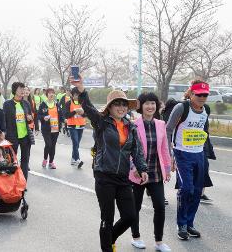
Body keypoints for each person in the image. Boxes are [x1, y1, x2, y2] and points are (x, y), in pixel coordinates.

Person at [71, 74, 148, 252]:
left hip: (122, 177)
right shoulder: (102, 122)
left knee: (130, 216)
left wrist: (142, 168)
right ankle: (107, 247)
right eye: (117, 104)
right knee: (108, 218)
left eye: (123, 104)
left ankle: (109, 239)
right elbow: (88, 108)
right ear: (110, 107)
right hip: (104, 175)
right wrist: (82, 90)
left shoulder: (131, 126)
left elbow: (137, 151)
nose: (121, 108)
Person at [166, 79, 210, 240]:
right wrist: (170, 153)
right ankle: (182, 224)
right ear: (191, 93)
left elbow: (204, 131)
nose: (202, 98)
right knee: (187, 189)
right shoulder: (181, 107)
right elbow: (168, 129)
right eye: (199, 94)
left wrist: (205, 151)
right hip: (182, 154)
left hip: (199, 154)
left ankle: (190, 224)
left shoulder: (206, 110)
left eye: (205, 95)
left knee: (198, 191)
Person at [128, 92, 172, 252]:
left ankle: (159, 242)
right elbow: (128, 150)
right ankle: (136, 237)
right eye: (147, 103)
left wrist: (167, 168)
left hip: (156, 171)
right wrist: (134, 168)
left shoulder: (161, 124)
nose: (150, 106)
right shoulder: (133, 124)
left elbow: (164, 148)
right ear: (141, 106)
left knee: (160, 206)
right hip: (138, 173)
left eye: (153, 103)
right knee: (135, 207)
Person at [3, 82, 35, 180]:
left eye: (23, 89)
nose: (23, 91)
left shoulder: (26, 103)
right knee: (12, 160)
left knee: (25, 161)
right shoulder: (7, 104)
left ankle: (23, 182)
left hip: (25, 136)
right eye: (20, 89)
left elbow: (29, 118)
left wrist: (30, 118)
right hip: (13, 136)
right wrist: (4, 133)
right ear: (14, 91)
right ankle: (12, 182)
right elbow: (4, 120)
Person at [38, 88, 63, 169]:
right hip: (46, 129)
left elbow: (61, 115)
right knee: (48, 144)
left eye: (53, 93)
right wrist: (43, 117)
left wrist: (64, 120)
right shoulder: (43, 104)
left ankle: (51, 162)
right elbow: (38, 115)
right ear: (47, 95)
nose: (51, 94)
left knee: (53, 146)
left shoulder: (57, 104)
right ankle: (45, 159)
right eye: (50, 93)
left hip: (55, 129)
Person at [65, 87, 86, 168]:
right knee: (75, 143)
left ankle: (73, 159)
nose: (77, 96)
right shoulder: (68, 103)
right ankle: (77, 159)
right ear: (72, 95)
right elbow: (66, 115)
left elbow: (86, 114)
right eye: (76, 95)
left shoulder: (82, 103)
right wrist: (75, 111)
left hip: (81, 126)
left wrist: (82, 113)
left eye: (78, 95)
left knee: (77, 144)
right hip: (72, 126)